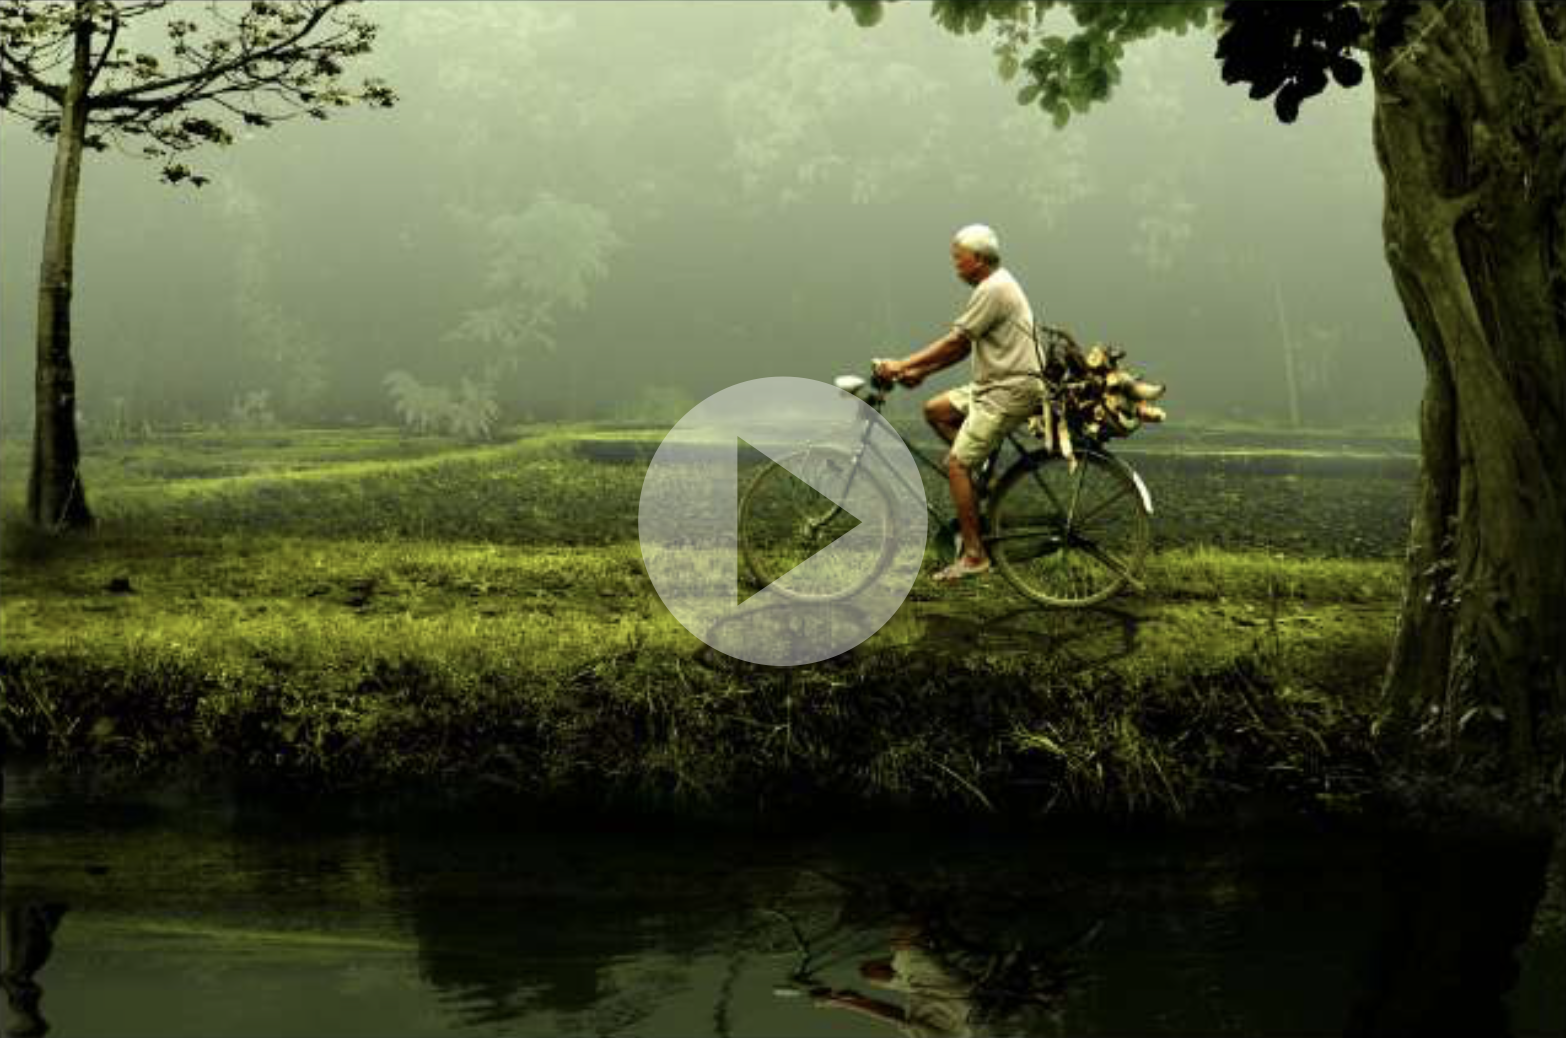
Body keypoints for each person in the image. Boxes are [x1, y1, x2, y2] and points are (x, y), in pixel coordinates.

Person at [875, 225, 1042, 582]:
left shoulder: (993, 289)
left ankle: (973, 555)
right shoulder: (994, 285)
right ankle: (979, 476)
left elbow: (955, 341)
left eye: (958, 258)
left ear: (978, 259)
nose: (955, 265)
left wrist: (904, 364)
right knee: (936, 410)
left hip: (1007, 391)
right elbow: (966, 346)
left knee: (955, 465)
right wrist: (921, 371)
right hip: (993, 385)